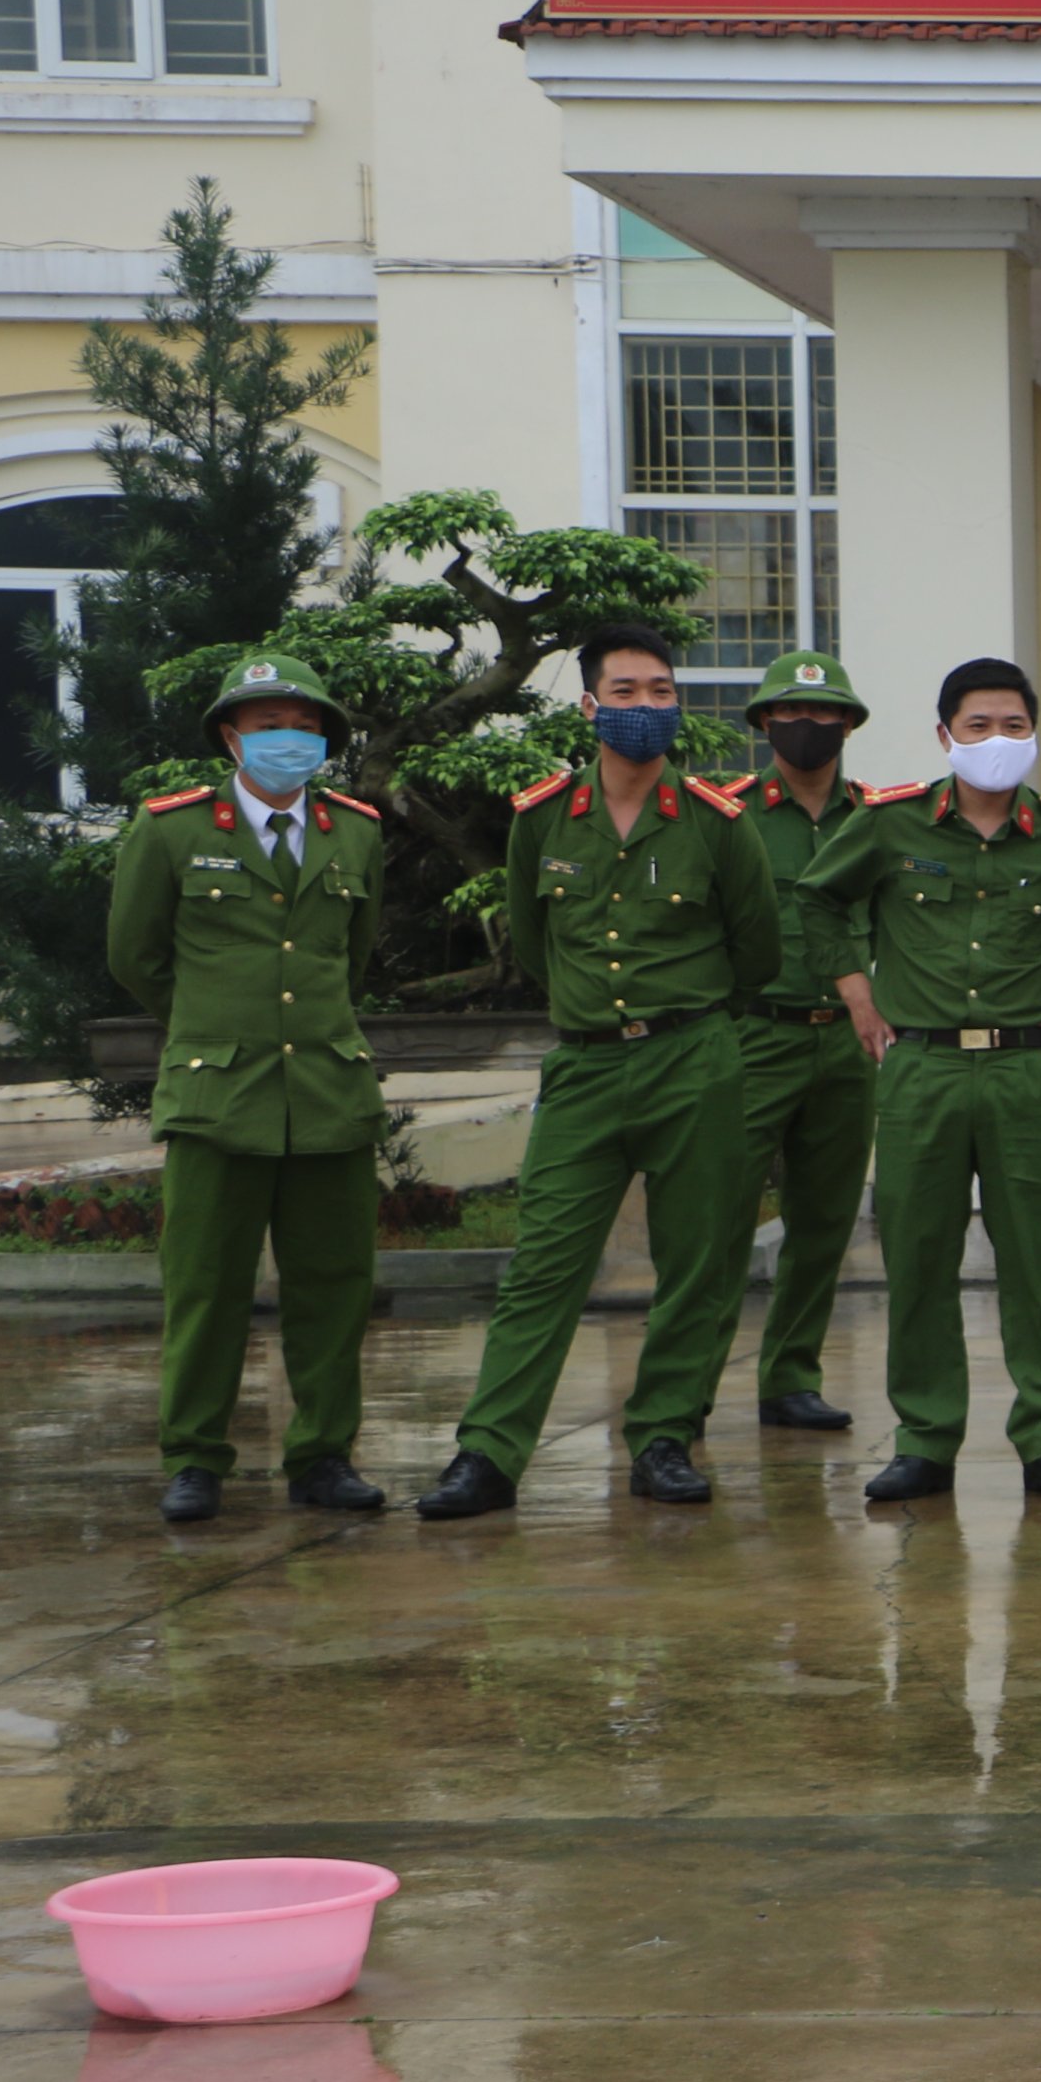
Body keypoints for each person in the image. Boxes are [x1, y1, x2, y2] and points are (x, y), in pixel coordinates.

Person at [416, 627, 781, 1521]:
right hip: (584, 1067)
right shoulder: (542, 818)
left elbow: (758, 951)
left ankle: (662, 1439)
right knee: (544, 1264)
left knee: (694, 1262)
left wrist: (681, 1018)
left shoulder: (717, 822)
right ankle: (490, 1454)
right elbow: (534, 946)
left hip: (694, 1059)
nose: (645, 708)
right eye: (624, 693)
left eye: (661, 692)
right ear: (588, 705)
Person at [800, 657, 1041, 1502]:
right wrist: (856, 997)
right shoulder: (890, 824)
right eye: (978, 725)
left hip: (1026, 1070)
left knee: (1038, 1261)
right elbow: (815, 900)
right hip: (919, 1066)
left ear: (1035, 733)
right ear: (944, 735)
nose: (997, 740)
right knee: (919, 1258)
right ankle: (924, 1438)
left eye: (1014, 725)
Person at [107, 654, 390, 1524]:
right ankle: (195, 1458)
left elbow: (354, 953)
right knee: (205, 1287)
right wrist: (210, 1028)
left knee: (334, 1287)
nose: (287, 741)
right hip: (216, 1100)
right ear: (231, 737)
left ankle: (323, 1456)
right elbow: (135, 956)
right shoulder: (170, 829)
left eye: (304, 728)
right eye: (267, 726)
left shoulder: (357, 832)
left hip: (328, 1094)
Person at [732, 650, 882, 1436]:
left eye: (826, 715)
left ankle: (790, 1377)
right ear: (762, 724)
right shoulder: (728, 814)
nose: (809, 727)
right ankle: (680, 1387)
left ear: (849, 726)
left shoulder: (880, 820)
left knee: (822, 1224)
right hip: (754, 1038)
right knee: (717, 1221)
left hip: (847, 1047)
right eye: (791, 713)